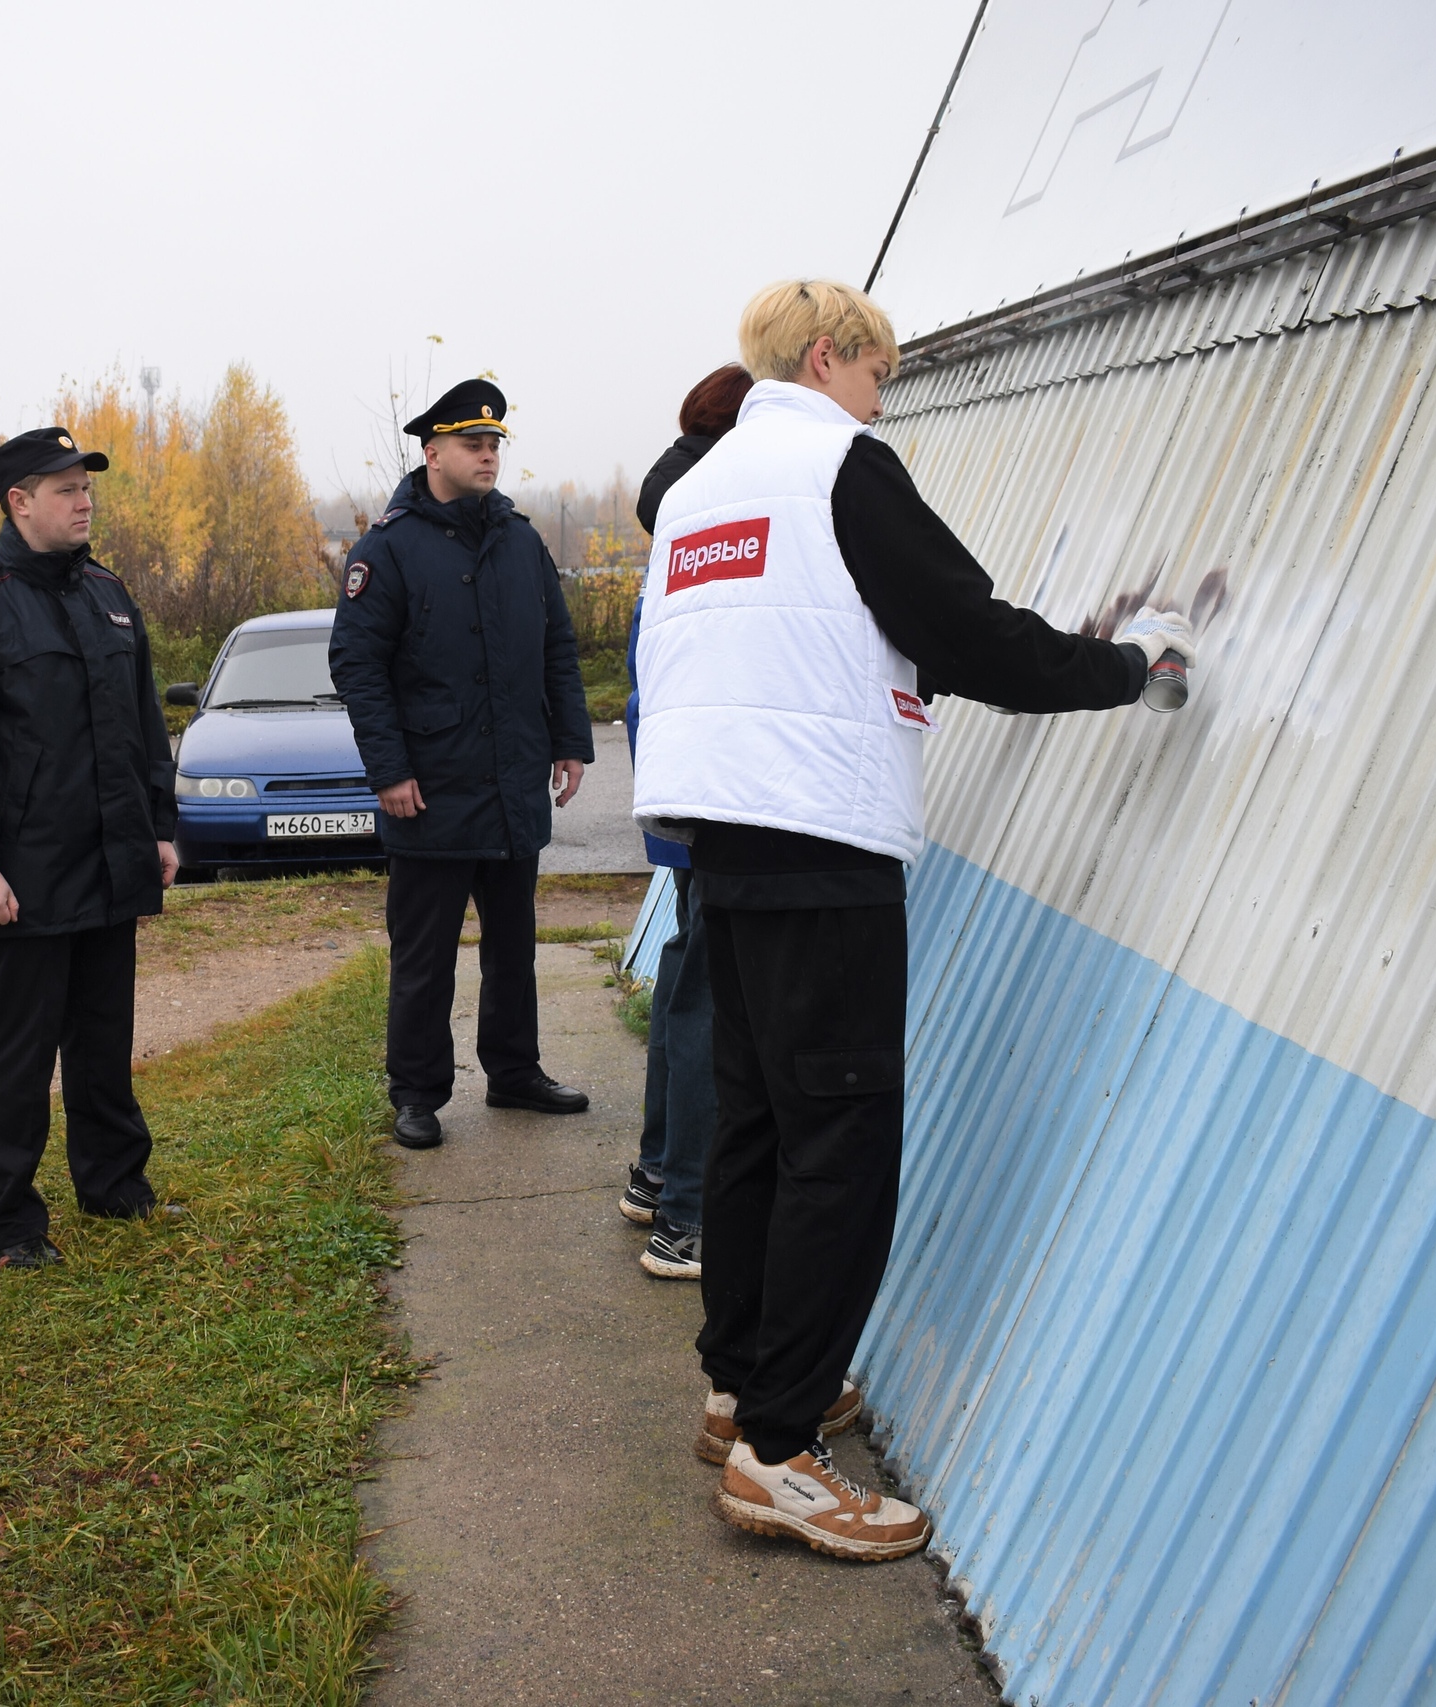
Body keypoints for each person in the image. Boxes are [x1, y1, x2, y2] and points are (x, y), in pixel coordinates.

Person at [634, 281, 1196, 1561]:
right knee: (839, 1144)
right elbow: (963, 630)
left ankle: (739, 1387)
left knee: (757, 1126)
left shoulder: (705, 486)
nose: (882, 399)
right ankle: (780, 1453)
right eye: (878, 373)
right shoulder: (841, 465)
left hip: (724, 838)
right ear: (827, 357)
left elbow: (820, 633)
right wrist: (1125, 668)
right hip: (821, 834)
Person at [0, 427, 182, 1270]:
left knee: (103, 1040)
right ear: (19, 501)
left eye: (86, 486)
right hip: (24, 877)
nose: (83, 501)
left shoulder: (109, 594)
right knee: (18, 1056)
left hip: (110, 860)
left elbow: (144, 723)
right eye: (65, 488)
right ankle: (13, 1224)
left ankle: (114, 1183)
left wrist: (160, 825)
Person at [329, 379, 598, 1150]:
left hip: (512, 785)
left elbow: (557, 647)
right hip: (431, 791)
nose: (488, 455)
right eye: (472, 444)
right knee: (425, 958)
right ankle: (416, 1092)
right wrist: (389, 770)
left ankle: (514, 1071)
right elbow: (357, 664)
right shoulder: (387, 549)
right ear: (432, 452)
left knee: (514, 949)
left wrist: (570, 739)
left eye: (494, 445)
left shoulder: (519, 541)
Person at [619, 362, 752, 1282]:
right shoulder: (722, 505)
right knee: (708, 989)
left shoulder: (675, 508)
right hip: (713, 794)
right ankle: (688, 1218)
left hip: (676, 787)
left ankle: (658, 1172)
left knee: (683, 966)